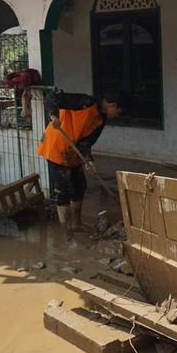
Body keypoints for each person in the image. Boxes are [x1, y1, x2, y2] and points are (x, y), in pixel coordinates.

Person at [37, 90, 122, 240]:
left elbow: (85, 143)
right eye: (118, 111)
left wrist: (88, 160)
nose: (117, 115)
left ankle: (76, 224)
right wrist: (54, 115)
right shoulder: (85, 102)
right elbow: (52, 97)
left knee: (79, 186)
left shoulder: (101, 120)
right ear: (112, 105)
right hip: (56, 148)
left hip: (73, 153)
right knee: (63, 191)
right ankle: (67, 233)